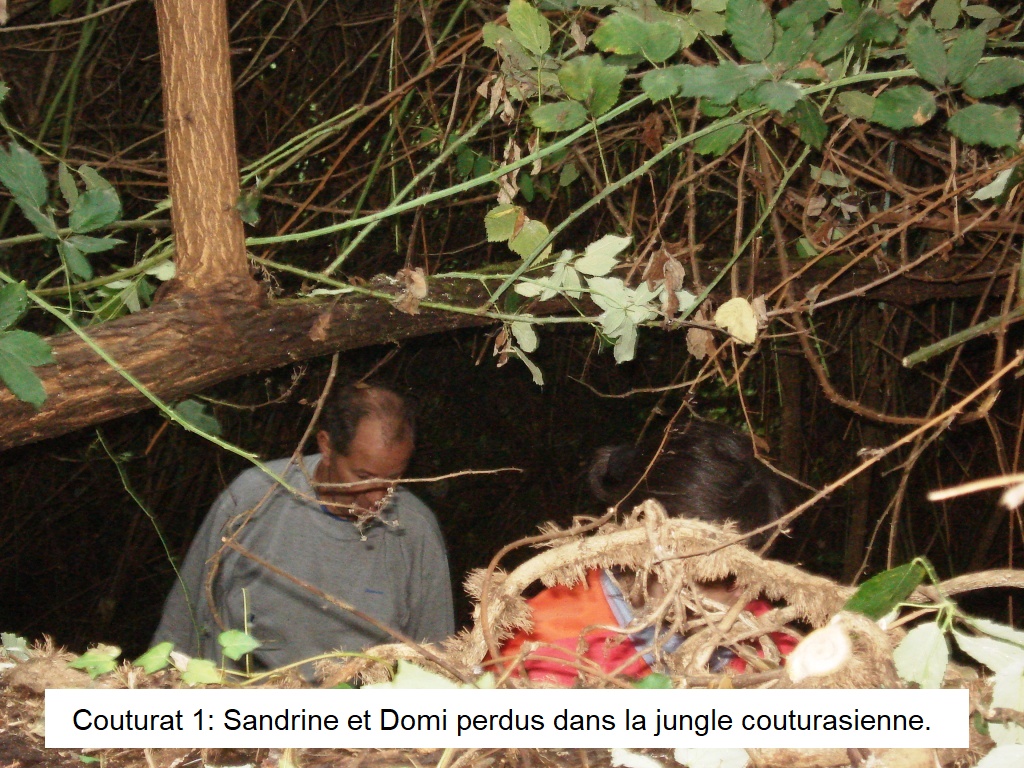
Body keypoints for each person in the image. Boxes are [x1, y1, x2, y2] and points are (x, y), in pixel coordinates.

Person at [152, 383, 455, 673]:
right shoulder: (255, 497)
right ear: (326, 446)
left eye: (393, 479)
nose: (379, 497)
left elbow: (435, 655)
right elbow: (185, 614)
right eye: (364, 477)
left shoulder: (414, 531)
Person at [498, 419, 797, 684]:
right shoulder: (545, 649)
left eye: (754, 569)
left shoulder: (772, 641)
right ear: (643, 548)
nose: (744, 590)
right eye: (722, 574)